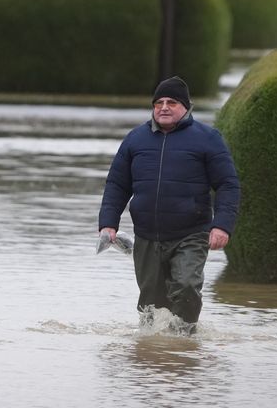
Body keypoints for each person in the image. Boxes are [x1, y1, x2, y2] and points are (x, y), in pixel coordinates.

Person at [97, 76, 240, 334]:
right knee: (151, 306)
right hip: (147, 235)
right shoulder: (135, 139)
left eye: (171, 102)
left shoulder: (208, 139)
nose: (164, 107)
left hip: (191, 234)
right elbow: (117, 184)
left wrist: (222, 226)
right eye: (159, 102)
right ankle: (154, 357)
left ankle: (184, 343)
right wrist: (108, 224)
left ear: (186, 107)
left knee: (185, 286)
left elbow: (228, 185)